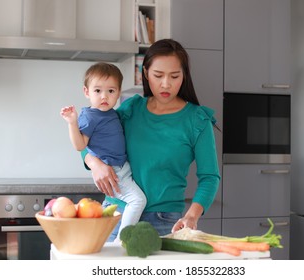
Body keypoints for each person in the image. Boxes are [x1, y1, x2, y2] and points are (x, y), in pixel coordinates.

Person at [82, 39, 220, 241]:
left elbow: (209, 177)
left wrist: (192, 216)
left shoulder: (197, 120)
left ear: (184, 76)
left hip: (163, 222)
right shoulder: (131, 109)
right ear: (145, 73)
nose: (166, 84)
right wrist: (94, 164)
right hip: (115, 214)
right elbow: (86, 141)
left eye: (174, 76)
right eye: (158, 75)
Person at [60, 62, 146, 241]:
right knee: (138, 200)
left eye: (111, 91)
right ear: (86, 92)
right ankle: (122, 240)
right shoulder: (90, 116)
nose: (104, 96)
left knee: (124, 203)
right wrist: (72, 123)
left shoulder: (111, 113)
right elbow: (80, 145)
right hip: (113, 171)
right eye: (97, 91)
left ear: (119, 92)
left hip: (122, 167)